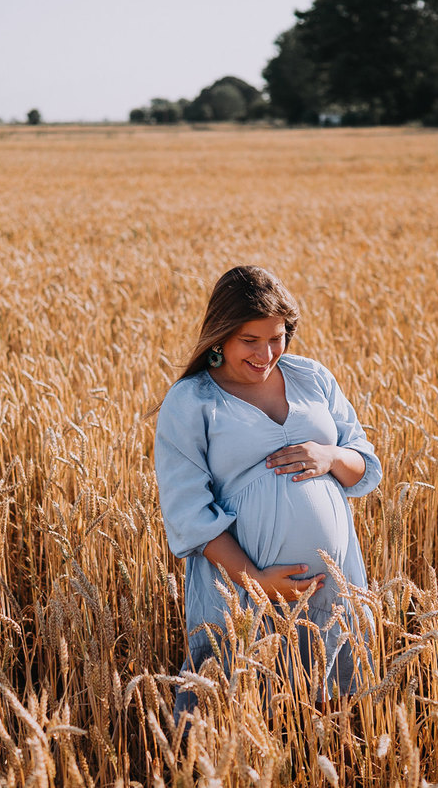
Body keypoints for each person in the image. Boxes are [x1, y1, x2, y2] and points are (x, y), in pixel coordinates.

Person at [154, 265, 382, 718]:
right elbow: (188, 512)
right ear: (220, 338)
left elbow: (364, 465)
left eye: (276, 338)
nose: (266, 354)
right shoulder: (191, 400)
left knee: (332, 720)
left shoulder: (312, 377)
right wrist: (256, 582)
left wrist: (330, 456)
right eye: (250, 340)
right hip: (242, 594)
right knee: (238, 714)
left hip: (332, 590)